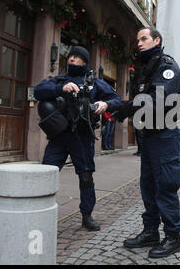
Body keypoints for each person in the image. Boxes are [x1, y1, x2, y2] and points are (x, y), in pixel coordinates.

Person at [34, 46, 121, 231]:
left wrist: (105, 103)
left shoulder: (94, 83)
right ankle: (39, 211)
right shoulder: (60, 79)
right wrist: (60, 88)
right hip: (60, 136)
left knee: (86, 177)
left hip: (82, 136)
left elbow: (117, 100)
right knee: (47, 174)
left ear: (85, 61)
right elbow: (39, 91)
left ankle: (87, 215)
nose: (72, 59)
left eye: (77, 57)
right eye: (71, 55)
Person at [117, 27, 180, 258]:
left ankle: (173, 237)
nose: (139, 43)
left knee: (165, 185)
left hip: (164, 134)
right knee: (148, 185)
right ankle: (150, 231)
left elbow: (157, 101)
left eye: (144, 38)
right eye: (138, 40)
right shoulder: (146, 68)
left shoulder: (167, 67)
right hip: (148, 135)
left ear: (157, 40)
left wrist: (124, 107)